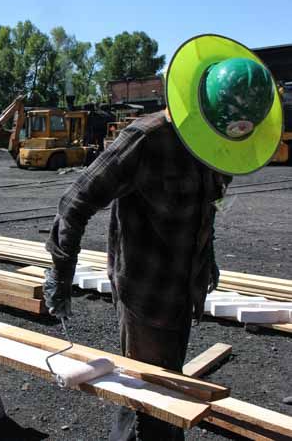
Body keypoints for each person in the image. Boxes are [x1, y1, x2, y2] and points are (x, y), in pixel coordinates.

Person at [43, 34, 283, 441]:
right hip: (146, 293)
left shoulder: (219, 146)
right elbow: (74, 202)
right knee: (145, 401)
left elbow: (207, 206)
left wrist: (207, 257)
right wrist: (60, 275)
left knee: (166, 387)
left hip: (185, 290)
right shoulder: (145, 140)